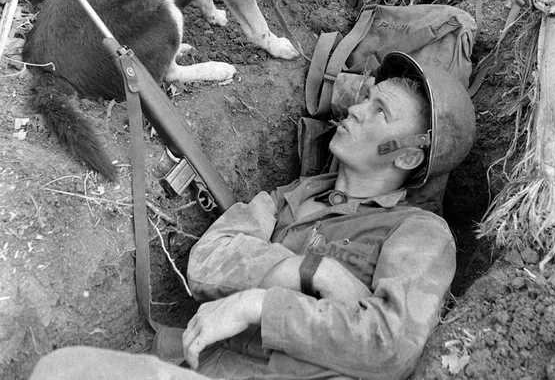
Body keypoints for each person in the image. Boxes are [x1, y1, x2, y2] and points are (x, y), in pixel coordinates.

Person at [29, 51, 476, 380]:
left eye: (381, 112)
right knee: (62, 368)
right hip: (205, 364)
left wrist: (258, 302)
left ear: (407, 157)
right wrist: (312, 271)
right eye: (368, 98)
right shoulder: (289, 198)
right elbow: (207, 260)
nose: (356, 109)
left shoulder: (419, 232)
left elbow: (391, 344)